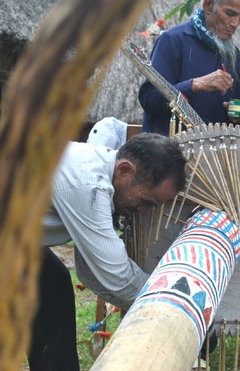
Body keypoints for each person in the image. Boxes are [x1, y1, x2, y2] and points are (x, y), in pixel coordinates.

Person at [29, 133, 187, 371]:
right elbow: (117, 277)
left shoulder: (98, 170)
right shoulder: (87, 184)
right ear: (125, 170)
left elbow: (90, 270)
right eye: (147, 202)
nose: (143, 211)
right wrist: (178, 309)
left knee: (50, 286)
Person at [138, 0, 240, 135]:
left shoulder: (233, 56)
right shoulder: (173, 41)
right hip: (166, 155)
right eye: (230, 13)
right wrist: (194, 85)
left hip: (210, 156)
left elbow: (230, 112)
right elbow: (149, 100)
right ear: (209, 5)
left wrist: (237, 114)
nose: (235, 23)